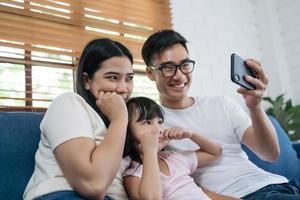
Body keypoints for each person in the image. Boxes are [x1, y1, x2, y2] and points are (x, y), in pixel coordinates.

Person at [141, 29, 300, 200]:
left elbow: (270, 154)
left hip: (282, 185)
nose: (179, 76)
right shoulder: (152, 125)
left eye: (185, 65)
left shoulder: (222, 103)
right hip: (242, 196)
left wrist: (255, 107)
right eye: (168, 67)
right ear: (150, 73)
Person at [23, 38, 134, 200]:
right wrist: (120, 119)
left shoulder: (122, 120)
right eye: (113, 77)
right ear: (87, 80)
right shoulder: (69, 104)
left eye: (129, 78)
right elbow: (93, 186)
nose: (124, 88)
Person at [123, 96, 223, 200]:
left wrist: (191, 135)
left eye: (160, 122)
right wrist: (149, 152)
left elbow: (215, 152)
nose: (158, 129)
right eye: (147, 122)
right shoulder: (134, 173)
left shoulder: (173, 158)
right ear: (128, 132)